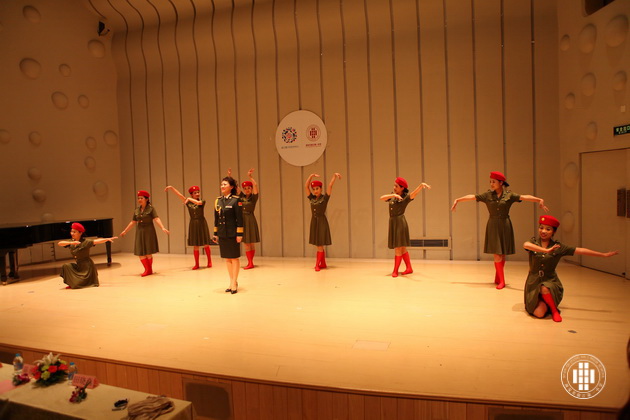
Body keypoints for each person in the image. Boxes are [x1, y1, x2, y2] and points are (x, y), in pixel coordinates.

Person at [451, 171, 549, 289]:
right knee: (497, 254)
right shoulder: (487, 195)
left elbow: (524, 196)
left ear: (501, 183)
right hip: (493, 225)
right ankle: (502, 281)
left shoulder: (509, 195)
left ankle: (498, 277)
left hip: (505, 224)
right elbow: (472, 196)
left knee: (502, 254)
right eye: (490, 182)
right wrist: (458, 200)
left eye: (494, 182)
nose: (491, 184)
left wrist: (539, 200)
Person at [523, 215, 618, 322]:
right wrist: (546, 250)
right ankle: (544, 300)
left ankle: (554, 310)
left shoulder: (558, 247)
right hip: (534, 282)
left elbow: (580, 250)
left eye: (548, 229)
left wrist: (602, 255)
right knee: (539, 313)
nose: (543, 231)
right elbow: (526, 245)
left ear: (554, 232)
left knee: (544, 288)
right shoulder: (534, 242)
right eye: (541, 228)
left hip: (549, 280)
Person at [380, 178, 431, 277]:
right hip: (393, 222)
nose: (394, 187)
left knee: (398, 247)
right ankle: (409, 268)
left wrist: (421, 185)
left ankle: (395, 270)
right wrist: (393, 195)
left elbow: (414, 193)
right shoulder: (393, 196)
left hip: (400, 223)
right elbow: (381, 198)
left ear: (402, 188)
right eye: (394, 185)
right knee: (402, 248)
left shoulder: (405, 198)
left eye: (396, 186)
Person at [120, 190, 170, 276]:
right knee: (140, 251)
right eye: (138, 198)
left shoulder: (151, 209)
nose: (139, 200)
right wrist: (125, 231)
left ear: (146, 199)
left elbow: (156, 218)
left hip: (149, 231)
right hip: (140, 231)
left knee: (148, 252)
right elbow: (133, 222)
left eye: (141, 198)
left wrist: (162, 227)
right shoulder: (137, 210)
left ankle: (148, 270)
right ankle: (148, 270)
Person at [165, 185, 213, 269]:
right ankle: (196, 264)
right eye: (195, 193)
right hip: (193, 223)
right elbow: (180, 195)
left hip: (201, 223)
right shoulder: (188, 202)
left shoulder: (202, 201)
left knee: (206, 243)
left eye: (198, 192)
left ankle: (209, 261)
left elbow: (198, 203)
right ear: (191, 194)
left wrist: (189, 199)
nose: (197, 194)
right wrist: (172, 188)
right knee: (195, 244)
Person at [57, 222, 117, 289]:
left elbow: (96, 241)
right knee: (66, 266)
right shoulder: (71, 241)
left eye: (74, 232)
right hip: (79, 265)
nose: (72, 233)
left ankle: (77, 282)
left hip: (87, 268)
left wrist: (107, 239)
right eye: (71, 231)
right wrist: (72, 243)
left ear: (80, 233)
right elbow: (60, 243)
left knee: (77, 284)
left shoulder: (85, 242)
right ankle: (72, 282)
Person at [213, 177, 243, 294]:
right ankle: (231, 281)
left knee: (234, 258)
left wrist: (239, 234)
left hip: (232, 233)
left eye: (225, 184)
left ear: (231, 187)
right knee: (227, 259)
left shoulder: (236, 200)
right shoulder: (218, 201)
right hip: (222, 233)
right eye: (221, 184)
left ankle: (234, 282)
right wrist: (215, 233)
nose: (222, 186)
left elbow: (240, 219)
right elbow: (216, 219)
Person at [305, 173, 341, 271]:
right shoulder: (311, 198)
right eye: (314, 189)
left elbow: (330, 186)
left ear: (321, 189)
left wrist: (334, 177)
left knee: (319, 245)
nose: (315, 191)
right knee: (318, 244)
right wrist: (311, 176)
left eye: (317, 189)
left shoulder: (324, 198)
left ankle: (317, 264)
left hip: (321, 222)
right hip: (314, 222)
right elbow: (306, 186)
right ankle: (323, 263)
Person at [238, 169, 260, 270]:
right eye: (245, 188)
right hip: (242, 220)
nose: (247, 190)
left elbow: (256, 186)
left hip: (250, 219)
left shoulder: (253, 198)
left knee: (250, 242)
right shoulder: (241, 196)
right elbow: (235, 187)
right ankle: (250, 262)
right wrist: (229, 176)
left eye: (249, 188)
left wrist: (250, 177)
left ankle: (251, 262)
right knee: (246, 242)